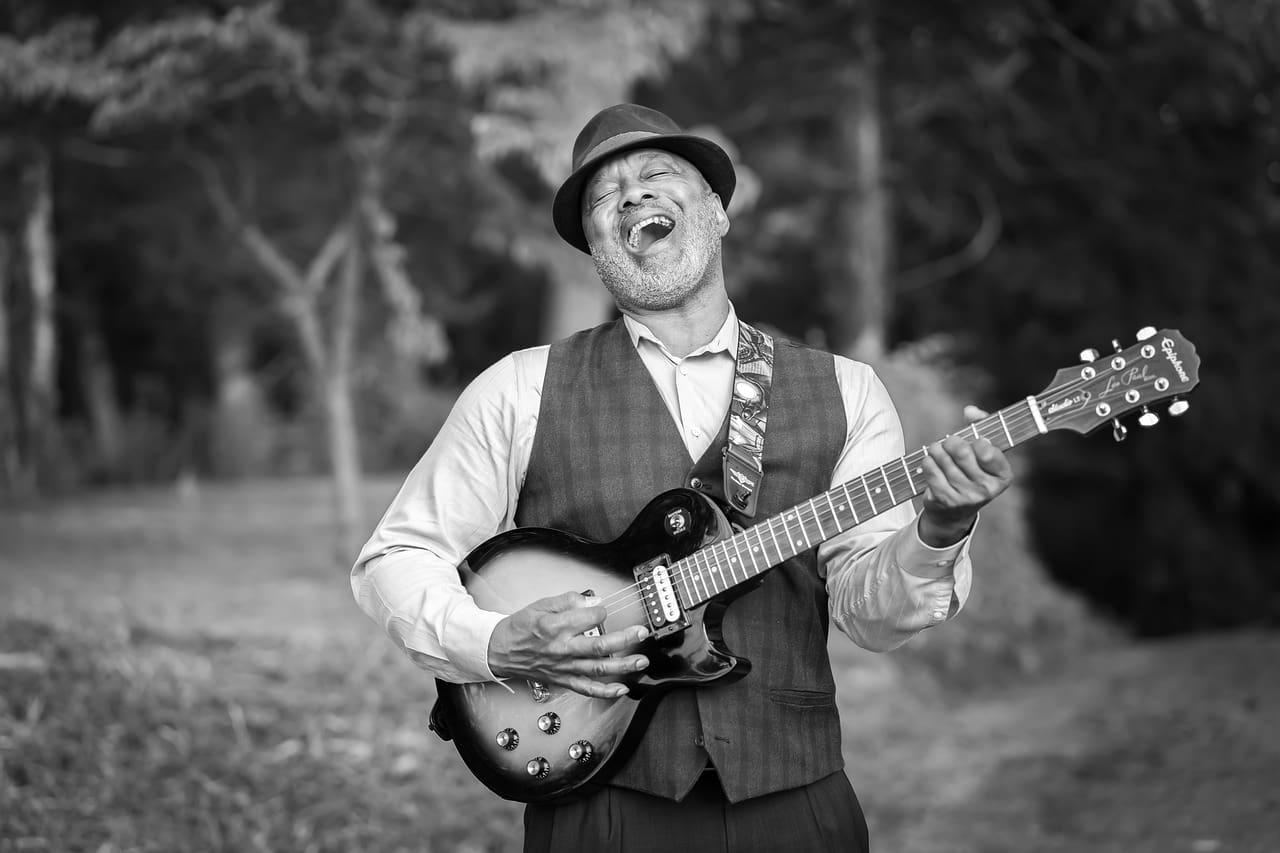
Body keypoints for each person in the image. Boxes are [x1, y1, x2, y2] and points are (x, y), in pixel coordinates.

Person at [351, 103, 1013, 853]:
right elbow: (395, 559)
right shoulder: (519, 389)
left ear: (718, 212)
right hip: (599, 810)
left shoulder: (847, 390)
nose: (632, 195)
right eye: (605, 197)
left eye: (659, 175)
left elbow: (871, 614)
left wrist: (941, 530)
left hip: (792, 803)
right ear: (596, 247)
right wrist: (495, 641)